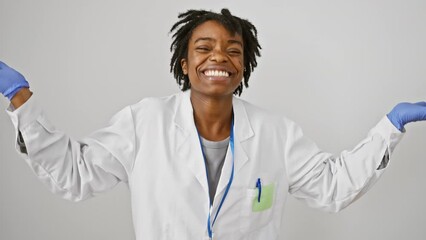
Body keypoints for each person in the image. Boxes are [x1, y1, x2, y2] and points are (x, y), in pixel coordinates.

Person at [1, 8, 425, 240]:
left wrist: (391, 125)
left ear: (244, 65)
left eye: (233, 50)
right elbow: (75, 175)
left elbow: (334, 187)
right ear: (184, 64)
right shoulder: (144, 122)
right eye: (204, 47)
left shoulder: (277, 134)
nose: (219, 56)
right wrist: (20, 99)